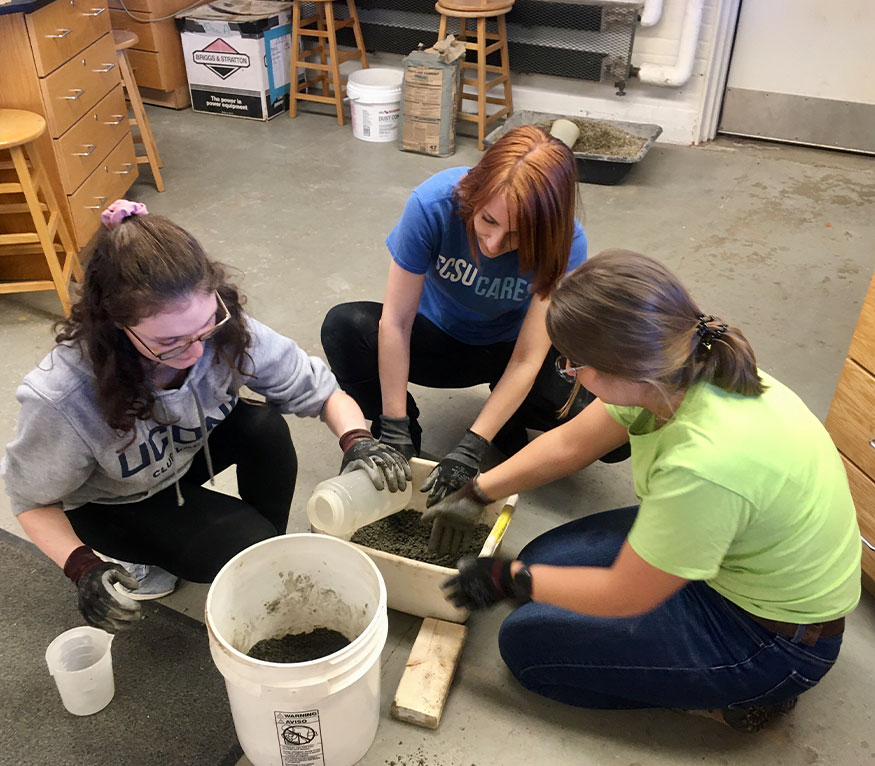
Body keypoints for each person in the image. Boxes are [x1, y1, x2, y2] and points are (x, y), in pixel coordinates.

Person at [424, 250, 861, 730]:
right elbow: (571, 442)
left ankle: (748, 693)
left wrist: (508, 581)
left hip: (770, 636)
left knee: (526, 648)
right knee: (545, 557)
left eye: (572, 364)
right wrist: (476, 492)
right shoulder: (678, 367)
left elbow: (621, 595)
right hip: (730, 555)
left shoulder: (705, 462)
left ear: (616, 367)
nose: (569, 372)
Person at [1, 200, 410, 634]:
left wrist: (358, 439)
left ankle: (257, 553)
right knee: (246, 546)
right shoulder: (63, 396)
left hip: (179, 454)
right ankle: (159, 558)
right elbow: (31, 501)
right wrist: (81, 567)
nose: (196, 352)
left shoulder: (223, 328)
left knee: (263, 429)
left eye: (205, 326)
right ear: (116, 325)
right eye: (171, 342)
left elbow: (322, 392)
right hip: (115, 501)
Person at [321, 126, 627, 531]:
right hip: (436, 339)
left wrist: (472, 446)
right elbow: (396, 323)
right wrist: (393, 425)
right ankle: (401, 437)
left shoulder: (566, 242)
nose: (495, 243)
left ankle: (503, 420)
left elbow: (527, 357)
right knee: (345, 327)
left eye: (518, 233)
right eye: (488, 220)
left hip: (509, 351)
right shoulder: (433, 203)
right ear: (472, 194)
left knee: (611, 433)